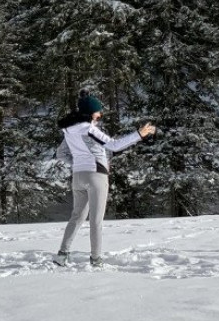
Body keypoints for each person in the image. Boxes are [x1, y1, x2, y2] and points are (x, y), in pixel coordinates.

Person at [53, 90, 155, 267]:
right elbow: (114, 145)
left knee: (77, 217)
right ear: (90, 113)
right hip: (96, 176)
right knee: (96, 220)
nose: (100, 114)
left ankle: (62, 254)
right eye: (98, 111)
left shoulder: (69, 130)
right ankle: (96, 259)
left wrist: (79, 163)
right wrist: (139, 134)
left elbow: (61, 153)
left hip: (78, 177)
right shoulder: (89, 129)